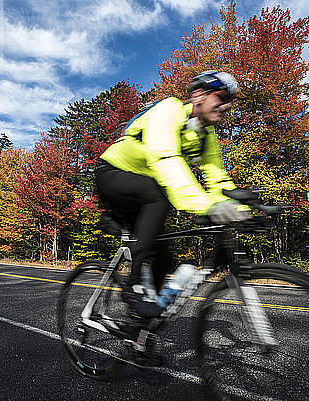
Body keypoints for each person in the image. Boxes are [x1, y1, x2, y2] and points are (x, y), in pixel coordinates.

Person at [95, 71, 250, 318]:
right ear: (198, 95)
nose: (227, 106)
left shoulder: (205, 135)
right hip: (113, 173)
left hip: (144, 190)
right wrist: (206, 207)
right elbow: (166, 161)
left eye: (230, 101)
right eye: (221, 97)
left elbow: (217, 178)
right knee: (158, 196)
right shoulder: (169, 110)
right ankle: (133, 286)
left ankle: (140, 333)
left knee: (165, 259)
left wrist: (240, 209)